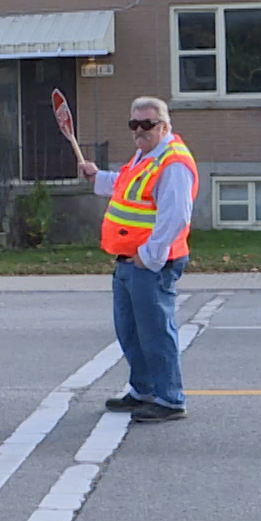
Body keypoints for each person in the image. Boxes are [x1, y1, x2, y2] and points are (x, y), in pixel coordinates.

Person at [78, 96, 198, 422]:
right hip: (129, 261)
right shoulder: (145, 157)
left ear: (165, 126)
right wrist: (97, 177)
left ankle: (169, 399)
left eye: (148, 124)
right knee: (131, 331)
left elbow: (176, 217)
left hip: (150, 264)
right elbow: (125, 186)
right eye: (135, 124)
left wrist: (150, 257)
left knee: (156, 332)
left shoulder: (172, 163)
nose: (140, 130)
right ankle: (143, 390)